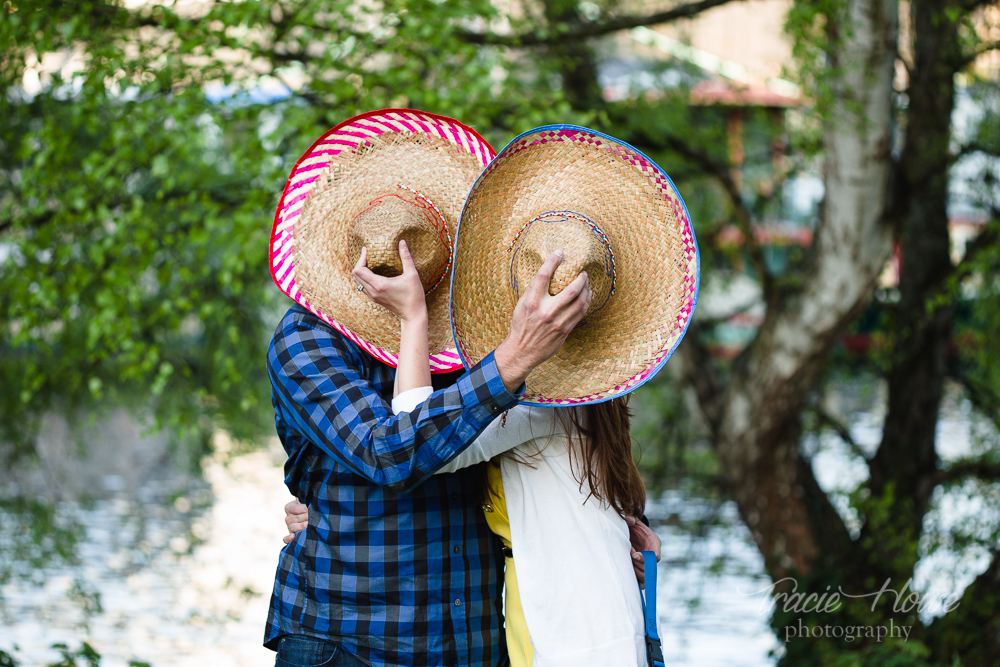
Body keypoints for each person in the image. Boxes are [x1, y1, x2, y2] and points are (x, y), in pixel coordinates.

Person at [285, 123, 700, 667]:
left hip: (478, 640)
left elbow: (453, 441)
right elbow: (390, 453)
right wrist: (325, 508)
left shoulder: (491, 362)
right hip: (356, 640)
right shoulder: (308, 340)